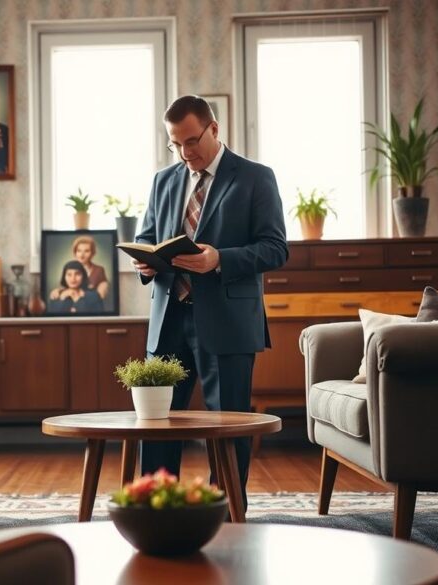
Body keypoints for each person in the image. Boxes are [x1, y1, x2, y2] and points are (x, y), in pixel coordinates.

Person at [132, 95, 288, 512]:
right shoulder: (163, 181)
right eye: (176, 144)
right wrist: (144, 262)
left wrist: (219, 259)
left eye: (191, 141)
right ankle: (156, 510)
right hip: (168, 319)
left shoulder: (255, 177)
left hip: (228, 322)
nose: (185, 153)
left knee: (229, 427)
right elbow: (147, 237)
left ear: (214, 129)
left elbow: (275, 248)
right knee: (157, 425)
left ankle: (228, 512)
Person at [50, 235, 109, 302]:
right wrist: (59, 291)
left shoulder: (99, 270)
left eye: (86, 251)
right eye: (79, 251)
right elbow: (66, 287)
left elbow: (100, 295)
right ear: (75, 253)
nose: (82, 255)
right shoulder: (69, 267)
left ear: (92, 253)